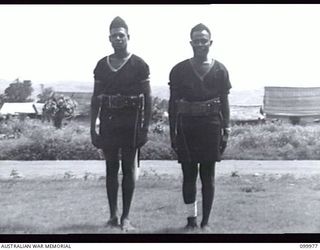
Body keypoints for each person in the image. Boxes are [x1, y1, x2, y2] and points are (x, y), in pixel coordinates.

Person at [90, 16, 151, 232]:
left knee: (128, 168)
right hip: (108, 121)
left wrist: (145, 128)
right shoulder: (101, 65)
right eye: (114, 35)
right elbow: (96, 98)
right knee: (110, 168)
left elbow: (148, 99)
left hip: (131, 122)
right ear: (109, 38)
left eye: (121, 35)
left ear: (128, 37)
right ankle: (112, 216)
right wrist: (92, 128)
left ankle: (126, 217)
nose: (118, 38)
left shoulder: (139, 65)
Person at [168, 23, 231, 231]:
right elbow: (172, 103)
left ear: (210, 42)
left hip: (211, 126)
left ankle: (205, 223)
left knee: (208, 175)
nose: (200, 44)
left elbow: (224, 102)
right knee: (188, 174)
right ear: (191, 43)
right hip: (186, 127)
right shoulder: (178, 70)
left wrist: (226, 130)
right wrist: (172, 133)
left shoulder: (220, 70)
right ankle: (191, 219)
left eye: (204, 40)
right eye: (196, 40)